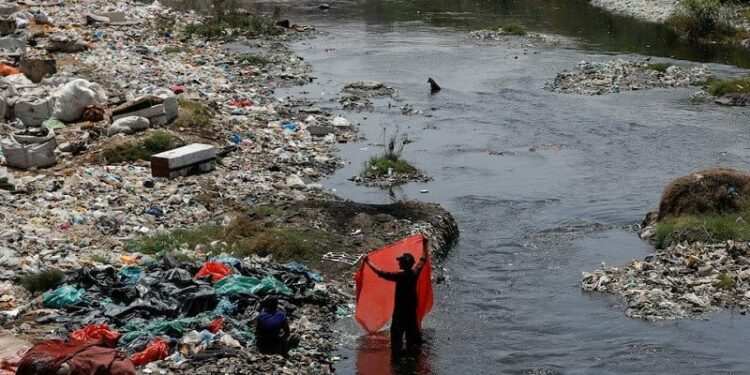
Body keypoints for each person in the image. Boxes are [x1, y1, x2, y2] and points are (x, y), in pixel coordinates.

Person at [364, 247, 428, 356]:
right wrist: (425, 245)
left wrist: (368, 262)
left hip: (399, 314)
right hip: (411, 313)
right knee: (413, 344)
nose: (399, 264)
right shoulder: (414, 273)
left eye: (400, 262)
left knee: (396, 343)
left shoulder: (399, 276)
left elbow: (381, 273)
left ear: (404, 264)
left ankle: (397, 364)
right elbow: (422, 260)